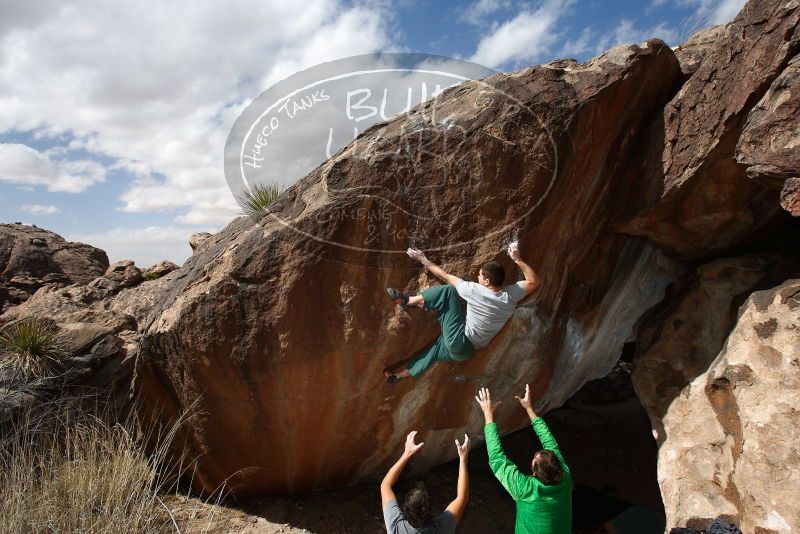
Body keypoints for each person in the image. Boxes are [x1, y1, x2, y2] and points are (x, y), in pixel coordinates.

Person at [384, 242, 540, 384]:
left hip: (459, 339)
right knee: (432, 353)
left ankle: (409, 301)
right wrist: (517, 259)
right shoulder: (511, 296)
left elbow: (444, 276)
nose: (477, 277)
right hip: (465, 352)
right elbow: (534, 282)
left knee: (449, 292)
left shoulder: (475, 290)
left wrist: (423, 259)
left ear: (486, 281)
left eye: (480, 275)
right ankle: (396, 376)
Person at [474, 385, 572, 534]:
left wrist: (488, 414)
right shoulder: (565, 477)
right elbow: (549, 440)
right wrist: (529, 408)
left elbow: (497, 459)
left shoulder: (526, 490)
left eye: (534, 459)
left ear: (535, 472)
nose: (534, 456)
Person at [380, 430, 470, 533]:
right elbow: (462, 498)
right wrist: (463, 459)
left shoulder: (396, 527)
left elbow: (385, 485)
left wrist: (406, 454)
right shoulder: (442, 527)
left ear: (405, 512)